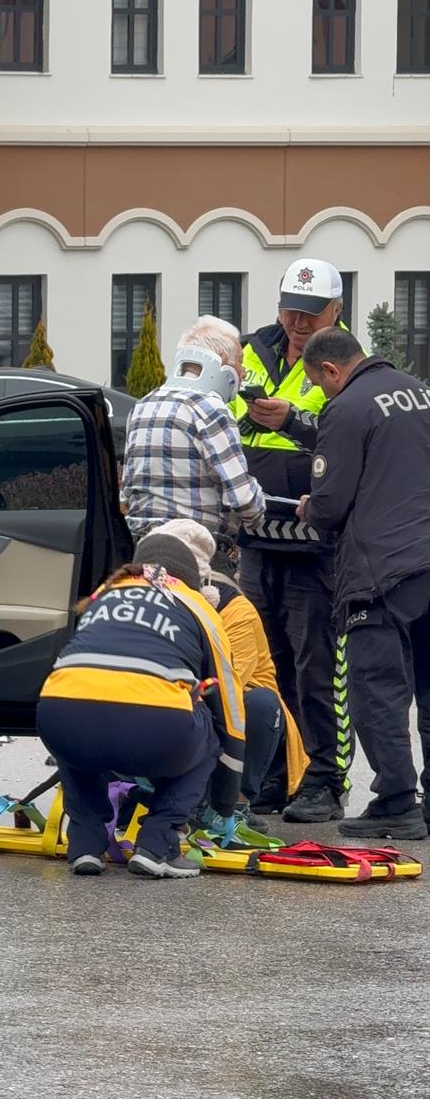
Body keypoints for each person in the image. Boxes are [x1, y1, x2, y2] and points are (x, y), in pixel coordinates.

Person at [37, 528, 246, 879]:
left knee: (80, 714)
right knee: (210, 733)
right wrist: (226, 800)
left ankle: (85, 845)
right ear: (191, 578)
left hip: (59, 717)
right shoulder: (197, 605)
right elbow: (230, 707)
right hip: (154, 729)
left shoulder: (105, 595)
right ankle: (157, 845)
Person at [227, 257, 349, 824]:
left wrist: (292, 422)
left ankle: (324, 779)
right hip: (257, 539)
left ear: (336, 311)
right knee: (265, 666)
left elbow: (349, 435)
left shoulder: (347, 361)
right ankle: (277, 774)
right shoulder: (250, 350)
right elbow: (224, 420)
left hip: (314, 546)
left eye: (311, 314)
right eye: (290, 311)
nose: (298, 323)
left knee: (316, 669)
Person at [297, 327, 430, 841]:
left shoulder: (347, 407)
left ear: (332, 369)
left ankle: (396, 802)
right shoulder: (419, 391)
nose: (321, 393)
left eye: (319, 383)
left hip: (382, 571)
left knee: (377, 689)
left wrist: (311, 507)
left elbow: (330, 505)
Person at [149, 520, 308, 828]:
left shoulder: (236, 610)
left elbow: (226, 684)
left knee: (260, 703)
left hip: (237, 715)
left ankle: (236, 803)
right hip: (181, 705)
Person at [120, 316, 265, 541]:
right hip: (194, 544)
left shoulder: (143, 405)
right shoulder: (210, 409)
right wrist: (257, 511)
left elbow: (127, 490)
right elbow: (243, 499)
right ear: (223, 360)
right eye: (240, 362)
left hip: (142, 543)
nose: (243, 372)